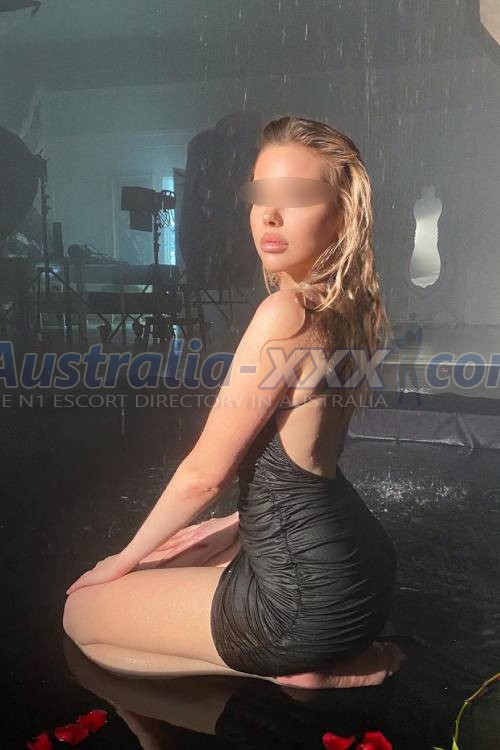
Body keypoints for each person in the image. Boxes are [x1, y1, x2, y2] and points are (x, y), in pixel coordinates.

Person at [63, 115, 407, 689]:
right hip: (360, 567)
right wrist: (236, 523)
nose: (268, 215)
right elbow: (310, 457)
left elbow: (204, 476)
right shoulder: (349, 308)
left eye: (296, 196)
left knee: (81, 615)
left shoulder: (286, 314)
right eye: (260, 195)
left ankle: (294, 672)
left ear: (343, 213)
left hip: (302, 605)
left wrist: (121, 562)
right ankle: (294, 656)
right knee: (183, 551)